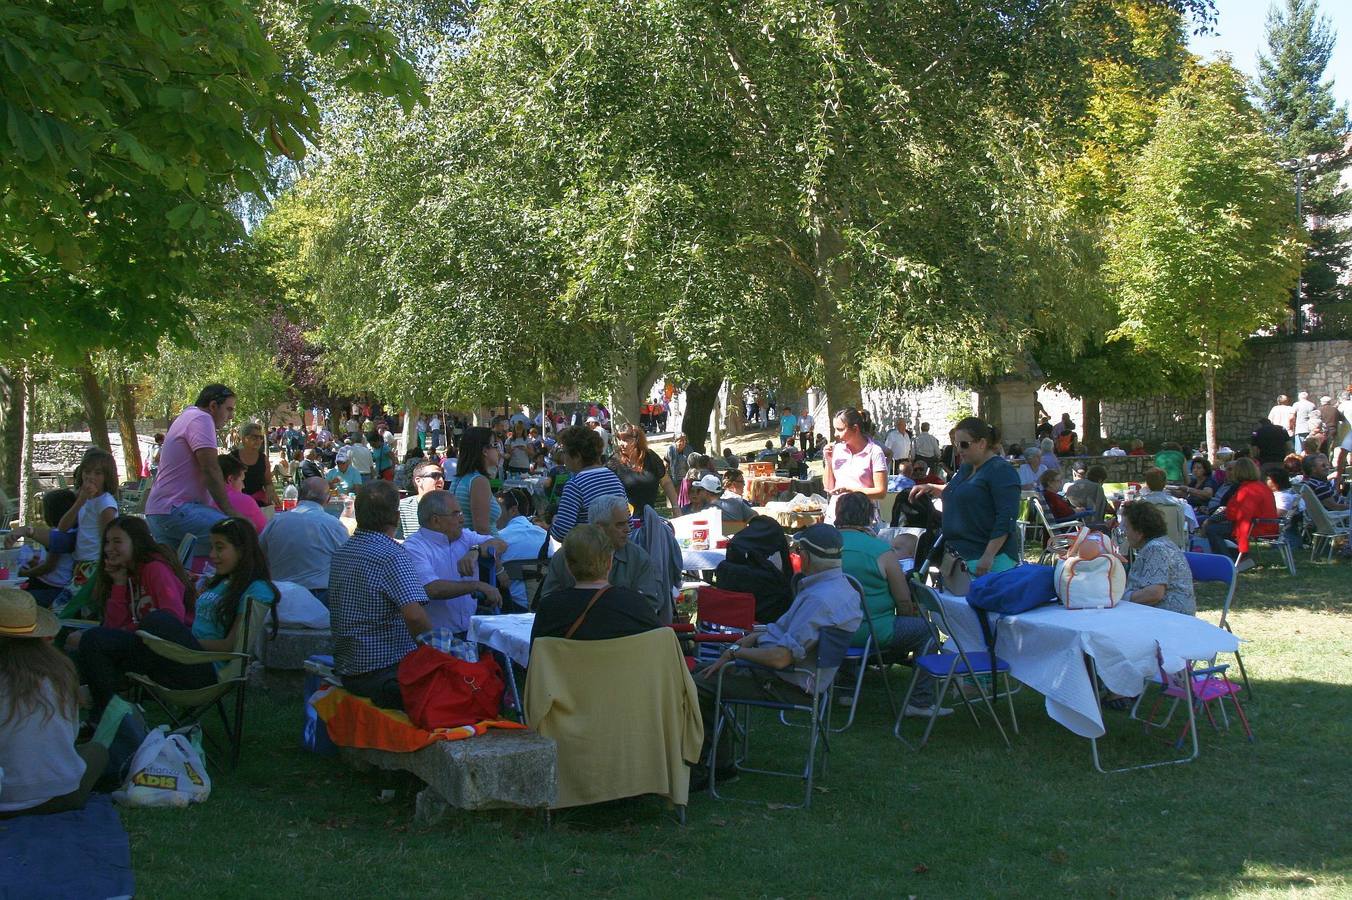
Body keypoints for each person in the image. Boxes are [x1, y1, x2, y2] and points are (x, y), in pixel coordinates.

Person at [691, 524, 864, 786]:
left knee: (693, 683)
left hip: (786, 682)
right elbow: (789, 634)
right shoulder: (842, 588)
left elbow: (781, 658)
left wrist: (737, 652)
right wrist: (756, 636)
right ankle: (718, 761)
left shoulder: (819, 599)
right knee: (697, 674)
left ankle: (708, 767)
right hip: (800, 677)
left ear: (805, 556)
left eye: (797, 552)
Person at [67, 517, 214, 722]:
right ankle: (102, 713)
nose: (109, 548)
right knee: (90, 642)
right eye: (107, 542)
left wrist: (131, 630)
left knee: (95, 641)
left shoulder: (155, 569)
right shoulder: (128, 575)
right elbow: (113, 626)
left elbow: (170, 619)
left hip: (178, 656)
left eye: (117, 541)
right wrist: (118, 583)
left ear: (136, 541)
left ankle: (101, 713)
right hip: (149, 649)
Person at [834, 493, 947, 718]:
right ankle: (921, 701)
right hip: (872, 631)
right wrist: (909, 615)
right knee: (928, 632)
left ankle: (845, 689)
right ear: (868, 516)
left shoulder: (821, 546)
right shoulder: (880, 551)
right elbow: (903, 600)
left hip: (828, 629)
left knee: (845, 612)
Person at [0, 589, 110, 819]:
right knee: (97, 751)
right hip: (62, 795)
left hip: (7, 798)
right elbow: (68, 735)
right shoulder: (61, 672)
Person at [328, 482, 435, 710]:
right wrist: (437, 654)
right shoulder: (392, 555)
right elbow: (415, 617)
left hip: (348, 664)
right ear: (396, 517)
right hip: (384, 671)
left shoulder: (342, 551)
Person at [910, 416, 1020, 576]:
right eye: (956, 444)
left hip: (989, 560)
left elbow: (1006, 517)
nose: (959, 450)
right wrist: (932, 487)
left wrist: (988, 556)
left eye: (964, 444)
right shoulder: (967, 468)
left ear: (982, 443)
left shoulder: (1001, 470)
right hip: (958, 556)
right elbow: (961, 492)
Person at [146, 385, 241, 555]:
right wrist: (229, 511)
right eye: (228, 409)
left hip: (159, 512)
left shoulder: (187, 416)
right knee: (237, 535)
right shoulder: (202, 419)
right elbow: (211, 469)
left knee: (179, 575)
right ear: (213, 406)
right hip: (176, 510)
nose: (231, 416)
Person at [530, 524, 661, 642]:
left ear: (568, 567)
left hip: (570, 668)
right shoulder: (637, 605)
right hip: (624, 667)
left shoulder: (549, 609)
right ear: (610, 563)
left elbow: (538, 659)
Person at [401, 491, 507, 633]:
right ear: (435, 520)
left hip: (470, 632)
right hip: (436, 638)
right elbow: (432, 589)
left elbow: (501, 544)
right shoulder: (414, 547)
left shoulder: (464, 536)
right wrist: (477, 586)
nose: (462, 519)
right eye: (456, 514)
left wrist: (475, 550)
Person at [541, 494, 664, 614]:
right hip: (575, 630)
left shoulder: (638, 558)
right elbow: (547, 600)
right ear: (599, 527)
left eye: (627, 522)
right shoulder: (566, 555)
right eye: (620, 524)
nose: (628, 529)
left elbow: (650, 604)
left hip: (623, 631)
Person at [258, 477, 350, 605]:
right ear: (327, 499)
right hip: (317, 597)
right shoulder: (333, 525)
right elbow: (348, 561)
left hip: (279, 595)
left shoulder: (276, 522)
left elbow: (259, 553)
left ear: (299, 496)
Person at [194, 518, 280, 655]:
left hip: (206, 663)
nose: (211, 554)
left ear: (241, 551)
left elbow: (232, 645)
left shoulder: (257, 589)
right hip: (189, 653)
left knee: (158, 622)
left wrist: (183, 643)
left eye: (219, 548)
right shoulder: (221, 581)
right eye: (212, 547)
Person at [549, 426, 627, 543]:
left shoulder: (575, 485)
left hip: (589, 554)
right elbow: (627, 521)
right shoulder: (613, 478)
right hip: (617, 553)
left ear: (577, 457)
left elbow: (561, 533)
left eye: (564, 452)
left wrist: (553, 523)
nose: (563, 457)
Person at [1120, 503, 1195, 616]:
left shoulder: (1156, 549)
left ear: (1139, 531)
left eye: (1126, 527)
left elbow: (1154, 594)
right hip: (1160, 614)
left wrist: (1121, 598)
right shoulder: (1160, 544)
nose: (1124, 533)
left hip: (1169, 618)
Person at [1203, 457, 1277, 568]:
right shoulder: (1261, 486)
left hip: (1257, 526)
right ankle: (1236, 556)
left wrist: (1211, 520)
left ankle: (1227, 561)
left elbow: (1234, 514)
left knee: (1212, 529)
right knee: (1217, 526)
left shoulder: (1247, 490)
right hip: (1267, 524)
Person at [822, 407, 888, 524]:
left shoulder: (875, 451)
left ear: (855, 429)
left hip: (863, 518)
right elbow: (828, 488)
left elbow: (881, 492)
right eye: (835, 429)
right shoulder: (837, 449)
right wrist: (828, 461)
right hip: (836, 516)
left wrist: (851, 490)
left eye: (840, 429)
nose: (836, 434)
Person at [496, 487, 550, 609]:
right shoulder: (547, 537)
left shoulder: (498, 540)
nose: (493, 513)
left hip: (509, 608)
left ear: (513, 510)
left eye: (496, 509)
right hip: (546, 606)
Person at [610, 425, 679, 516]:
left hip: (649, 518)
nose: (620, 443)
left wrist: (675, 508)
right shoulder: (614, 462)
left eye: (625, 440)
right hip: (625, 522)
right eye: (619, 439)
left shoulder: (651, 458)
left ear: (637, 441)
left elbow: (666, 482)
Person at [449, 426, 502, 538]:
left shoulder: (461, 478)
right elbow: (482, 530)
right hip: (485, 551)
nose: (498, 451)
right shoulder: (479, 481)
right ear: (484, 451)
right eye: (495, 445)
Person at [230, 422, 279, 508]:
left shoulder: (263, 458)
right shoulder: (233, 457)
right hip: (236, 503)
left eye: (260, 437)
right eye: (254, 437)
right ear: (243, 438)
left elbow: (268, 482)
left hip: (258, 504)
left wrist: (271, 492)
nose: (258, 440)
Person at [216, 455, 268, 533]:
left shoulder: (204, 497)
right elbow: (265, 531)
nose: (243, 486)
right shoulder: (243, 500)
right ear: (230, 479)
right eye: (241, 480)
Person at [1266, 467, 1305, 550]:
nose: (1266, 481)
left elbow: (1280, 513)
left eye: (1268, 479)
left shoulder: (1284, 496)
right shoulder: (1281, 494)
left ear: (1276, 482)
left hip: (1286, 534)